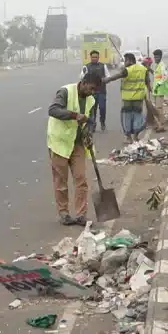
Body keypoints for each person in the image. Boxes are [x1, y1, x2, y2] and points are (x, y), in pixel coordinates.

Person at [47, 71, 102, 225]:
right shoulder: (65, 92)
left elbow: (91, 121)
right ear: (83, 83)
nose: (92, 92)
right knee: (61, 181)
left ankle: (81, 214)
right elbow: (53, 110)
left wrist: (89, 132)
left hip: (78, 143)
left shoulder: (91, 100)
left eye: (95, 90)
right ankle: (64, 213)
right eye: (91, 88)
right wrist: (75, 115)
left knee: (81, 179)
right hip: (59, 143)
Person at [103, 53, 152, 143]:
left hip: (127, 100)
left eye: (126, 60)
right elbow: (147, 80)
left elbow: (117, 76)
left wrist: (107, 79)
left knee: (127, 118)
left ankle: (129, 138)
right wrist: (149, 88)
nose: (125, 62)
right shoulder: (143, 69)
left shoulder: (127, 70)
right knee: (138, 117)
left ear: (130, 60)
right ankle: (136, 137)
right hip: (138, 98)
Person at [80, 50, 110, 133]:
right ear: (90, 57)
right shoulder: (86, 67)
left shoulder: (103, 66)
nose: (94, 58)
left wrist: (103, 80)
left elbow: (108, 76)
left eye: (96, 57)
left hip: (101, 91)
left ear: (98, 58)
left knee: (102, 108)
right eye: (93, 57)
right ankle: (93, 124)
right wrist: (84, 75)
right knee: (92, 109)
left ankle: (102, 122)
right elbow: (81, 77)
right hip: (91, 92)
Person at [152, 49, 168, 131]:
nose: (155, 59)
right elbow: (156, 76)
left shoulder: (162, 65)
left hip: (159, 90)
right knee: (157, 108)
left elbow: (165, 77)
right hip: (156, 90)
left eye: (157, 57)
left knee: (159, 108)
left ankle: (161, 125)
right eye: (154, 57)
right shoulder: (158, 65)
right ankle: (159, 124)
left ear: (160, 57)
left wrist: (158, 85)